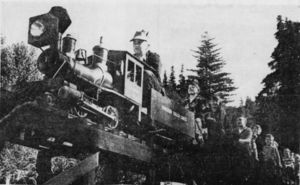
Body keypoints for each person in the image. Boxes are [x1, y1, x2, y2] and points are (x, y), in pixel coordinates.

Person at [130, 30, 164, 107]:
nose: (136, 45)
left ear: (147, 45)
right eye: (134, 43)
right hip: (137, 90)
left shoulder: (154, 58)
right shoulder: (131, 58)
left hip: (155, 91)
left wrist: (140, 61)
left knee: (147, 73)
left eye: (139, 43)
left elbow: (154, 75)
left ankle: (143, 104)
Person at [183, 79, 208, 145]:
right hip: (185, 122)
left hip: (197, 123)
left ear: (198, 90)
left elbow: (203, 114)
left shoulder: (201, 100)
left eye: (193, 87)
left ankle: (200, 137)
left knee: (198, 120)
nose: (191, 88)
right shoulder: (185, 101)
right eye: (189, 87)